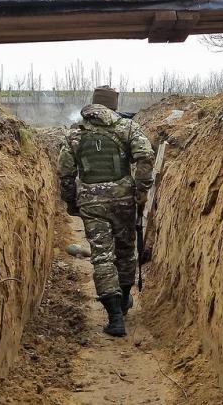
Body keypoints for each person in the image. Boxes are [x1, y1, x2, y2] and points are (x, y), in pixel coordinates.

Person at [58, 86, 155, 337]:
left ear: (93, 105)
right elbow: (145, 156)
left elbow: (66, 174)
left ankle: (114, 318)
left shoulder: (75, 134)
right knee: (125, 252)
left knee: (102, 257)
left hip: (91, 204)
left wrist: (71, 202)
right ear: (114, 105)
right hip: (124, 201)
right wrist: (141, 191)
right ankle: (123, 304)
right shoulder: (127, 128)